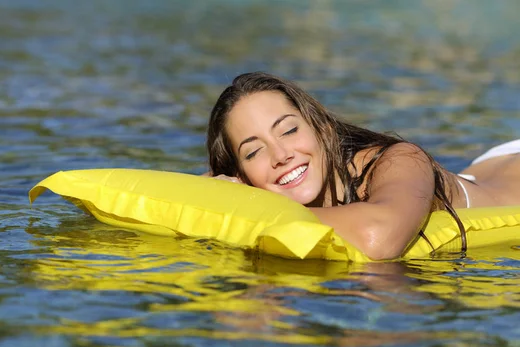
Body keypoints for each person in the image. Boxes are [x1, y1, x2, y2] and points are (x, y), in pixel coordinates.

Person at [205, 72, 520, 260]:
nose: (280, 155)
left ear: (324, 130)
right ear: (241, 175)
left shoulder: (399, 159)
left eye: (289, 130)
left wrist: (252, 209)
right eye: (254, 152)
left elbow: (379, 237)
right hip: (486, 168)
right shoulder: (241, 185)